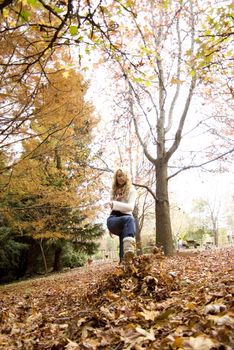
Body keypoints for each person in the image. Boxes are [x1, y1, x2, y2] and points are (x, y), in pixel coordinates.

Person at [105, 168, 137, 263]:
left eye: (122, 175)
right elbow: (112, 209)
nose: (120, 178)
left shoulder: (132, 190)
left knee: (129, 223)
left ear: (126, 177)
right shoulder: (113, 191)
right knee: (130, 220)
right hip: (113, 218)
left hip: (126, 221)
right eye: (118, 176)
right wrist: (110, 228)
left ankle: (125, 261)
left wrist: (115, 203)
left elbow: (130, 208)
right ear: (116, 178)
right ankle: (128, 250)